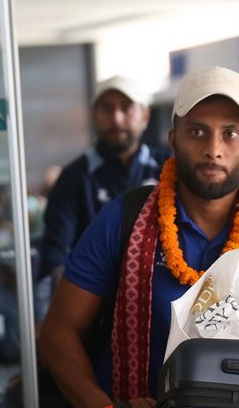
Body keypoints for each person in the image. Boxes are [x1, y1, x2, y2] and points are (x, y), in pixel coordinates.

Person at [39, 67, 239, 408]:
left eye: (232, 133)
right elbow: (58, 333)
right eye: (197, 131)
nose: (214, 148)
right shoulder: (121, 221)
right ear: (173, 140)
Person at [36, 76, 169, 292]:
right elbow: (55, 257)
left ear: (145, 116)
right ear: (94, 117)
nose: (116, 118)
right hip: (95, 303)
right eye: (107, 109)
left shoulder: (170, 168)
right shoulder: (73, 178)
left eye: (127, 108)